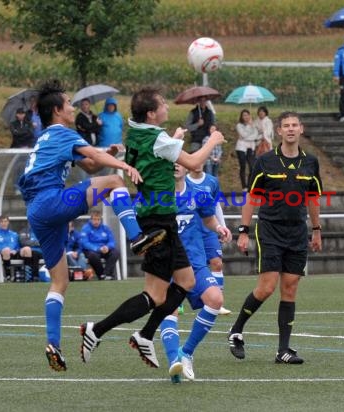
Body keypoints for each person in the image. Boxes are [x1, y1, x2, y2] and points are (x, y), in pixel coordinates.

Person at [18, 79, 165, 372]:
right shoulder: (62, 133)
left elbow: (89, 165)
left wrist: (107, 155)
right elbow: (94, 160)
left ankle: (53, 345)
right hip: (51, 201)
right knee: (114, 182)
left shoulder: (47, 137)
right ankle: (137, 237)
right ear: (58, 111)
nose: (72, 107)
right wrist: (122, 166)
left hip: (37, 211)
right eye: (69, 103)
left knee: (60, 281)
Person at [79, 86, 225, 369]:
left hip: (160, 218)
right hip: (157, 221)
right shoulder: (157, 137)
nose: (167, 108)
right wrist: (213, 140)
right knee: (155, 295)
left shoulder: (135, 129)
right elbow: (194, 162)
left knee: (186, 282)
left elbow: (155, 149)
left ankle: (145, 335)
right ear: (151, 113)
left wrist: (174, 139)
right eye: (162, 105)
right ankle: (96, 330)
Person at [228, 111, 323, 364]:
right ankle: (236, 330)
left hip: (297, 232)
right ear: (278, 131)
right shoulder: (265, 161)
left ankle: (283, 350)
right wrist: (243, 231)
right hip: (270, 230)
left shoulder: (311, 162)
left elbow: (313, 199)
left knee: (290, 288)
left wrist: (316, 230)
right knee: (267, 287)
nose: (291, 129)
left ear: (301, 129)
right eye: (286, 126)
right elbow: (251, 198)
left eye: (295, 125)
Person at [160, 163, 232, 383]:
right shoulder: (157, 196)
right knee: (169, 310)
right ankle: (174, 360)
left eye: (180, 162)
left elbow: (209, 219)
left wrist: (219, 228)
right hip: (166, 266)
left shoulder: (198, 195)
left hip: (196, 264)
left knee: (215, 299)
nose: (176, 166)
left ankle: (186, 352)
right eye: (172, 162)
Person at [186, 162, 231, 315]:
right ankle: (177, 302)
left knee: (217, 263)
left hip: (209, 229)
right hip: (191, 231)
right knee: (186, 268)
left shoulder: (212, 181)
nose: (198, 163)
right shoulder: (182, 182)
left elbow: (216, 205)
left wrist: (222, 227)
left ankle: (218, 303)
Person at [80, 210, 120, 281]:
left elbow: (112, 241)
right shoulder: (85, 228)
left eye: (98, 219)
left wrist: (107, 247)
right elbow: (85, 243)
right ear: (91, 219)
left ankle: (106, 274)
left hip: (105, 249)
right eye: (94, 219)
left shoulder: (105, 228)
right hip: (92, 250)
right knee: (92, 256)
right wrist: (98, 249)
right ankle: (101, 275)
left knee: (115, 252)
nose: (96, 221)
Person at [0, 215, 20, 281]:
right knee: (6, 250)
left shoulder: (14, 234)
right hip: (0, 254)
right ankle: (8, 276)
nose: (4, 223)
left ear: (8, 222)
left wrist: (15, 250)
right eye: (2, 222)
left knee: (27, 251)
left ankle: (25, 277)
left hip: (13, 254)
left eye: (5, 221)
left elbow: (18, 246)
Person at [235, 109, 258, 191]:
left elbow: (255, 136)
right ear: (241, 116)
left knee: (252, 167)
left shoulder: (253, 125)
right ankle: (244, 186)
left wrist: (251, 127)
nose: (246, 117)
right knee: (243, 166)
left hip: (251, 147)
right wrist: (249, 133)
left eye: (247, 115)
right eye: (244, 115)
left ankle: (249, 186)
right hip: (241, 148)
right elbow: (243, 134)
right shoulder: (239, 125)